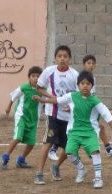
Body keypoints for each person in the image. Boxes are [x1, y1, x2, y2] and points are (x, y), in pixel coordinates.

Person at [35, 71, 112, 189]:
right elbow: (57, 100)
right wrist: (43, 100)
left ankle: (98, 178)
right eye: (82, 83)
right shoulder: (72, 96)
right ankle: (81, 169)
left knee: (95, 152)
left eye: (88, 83)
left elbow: (107, 115)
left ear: (92, 86)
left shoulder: (95, 100)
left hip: (90, 132)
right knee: (69, 152)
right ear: (78, 85)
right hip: (74, 132)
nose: (85, 85)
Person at [33, 45, 78, 185]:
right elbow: (39, 87)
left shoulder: (75, 75)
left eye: (65, 56)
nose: (62, 59)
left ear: (69, 58)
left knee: (69, 147)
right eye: (59, 56)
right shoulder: (49, 71)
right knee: (48, 141)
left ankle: (56, 165)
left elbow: (79, 94)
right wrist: (51, 97)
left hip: (68, 117)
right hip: (52, 113)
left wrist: (72, 107)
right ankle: (39, 173)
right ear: (55, 58)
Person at [1, 66, 42, 170]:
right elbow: (13, 97)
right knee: (18, 137)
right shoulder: (23, 88)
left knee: (31, 143)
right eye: (33, 76)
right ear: (29, 78)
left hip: (33, 119)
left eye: (38, 76)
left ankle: (21, 160)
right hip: (22, 116)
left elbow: (47, 100)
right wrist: (8, 107)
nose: (36, 78)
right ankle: (5, 157)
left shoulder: (42, 90)